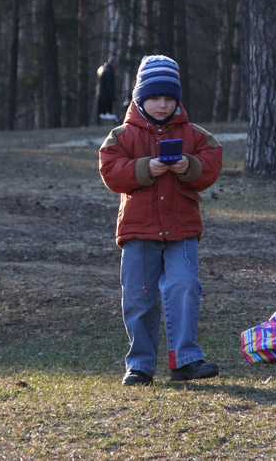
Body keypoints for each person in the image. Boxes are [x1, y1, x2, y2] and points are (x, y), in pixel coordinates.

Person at [99, 55, 223, 385]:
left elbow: (212, 160)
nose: (162, 104)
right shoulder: (121, 135)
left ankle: (185, 359)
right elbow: (110, 171)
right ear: (141, 97)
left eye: (169, 98)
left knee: (184, 286)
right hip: (139, 231)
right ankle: (140, 365)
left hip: (181, 229)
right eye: (155, 97)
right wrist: (143, 169)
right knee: (139, 297)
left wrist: (189, 166)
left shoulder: (193, 133)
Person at [95, 55, 119, 123]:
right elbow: (110, 85)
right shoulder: (109, 71)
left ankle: (99, 124)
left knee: (101, 113)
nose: (116, 66)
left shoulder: (101, 68)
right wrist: (113, 97)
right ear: (113, 63)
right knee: (107, 115)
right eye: (116, 64)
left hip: (99, 94)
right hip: (107, 96)